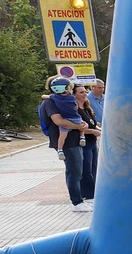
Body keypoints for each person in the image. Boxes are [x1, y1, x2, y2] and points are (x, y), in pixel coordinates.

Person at [38, 77, 90, 210]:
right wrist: (78, 127)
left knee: (78, 170)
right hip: (66, 142)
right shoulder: (49, 102)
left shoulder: (64, 99)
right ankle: (76, 202)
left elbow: (75, 116)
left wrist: (82, 124)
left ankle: (79, 199)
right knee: (74, 171)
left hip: (74, 139)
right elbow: (59, 121)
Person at [73, 84, 102, 203]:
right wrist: (92, 131)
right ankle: (88, 194)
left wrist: (98, 128)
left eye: (85, 92)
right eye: (81, 92)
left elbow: (92, 123)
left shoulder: (86, 108)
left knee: (94, 168)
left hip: (92, 142)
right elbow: (77, 127)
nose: (85, 94)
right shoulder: (75, 110)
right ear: (74, 94)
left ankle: (94, 192)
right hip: (83, 142)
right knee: (86, 169)